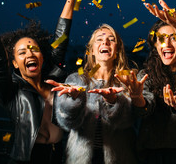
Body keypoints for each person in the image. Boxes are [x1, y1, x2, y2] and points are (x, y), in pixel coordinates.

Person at [0, 0, 87, 163]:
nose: (30, 53)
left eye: (34, 49)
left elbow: (60, 38)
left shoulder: (54, 80)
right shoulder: (11, 92)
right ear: (15, 63)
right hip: (28, 158)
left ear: (42, 57)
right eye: (22, 52)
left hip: (60, 155)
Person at [117, 0, 176, 164]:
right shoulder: (146, 75)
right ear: (155, 45)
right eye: (161, 39)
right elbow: (145, 108)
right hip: (152, 154)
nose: (167, 44)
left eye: (173, 38)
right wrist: (137, 97)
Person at [46, 24, 139, 164]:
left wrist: (113, 101)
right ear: (91, 51)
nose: (105, 42)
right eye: (99, 39)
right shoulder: (75, 79)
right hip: (79, 159)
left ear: (117, 50)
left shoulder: (128, 81)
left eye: (111, 39)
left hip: (120, 157)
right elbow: (67, 123)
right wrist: (74, 101)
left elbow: (129, 121)